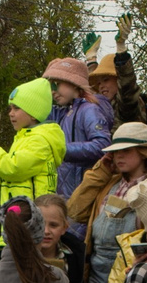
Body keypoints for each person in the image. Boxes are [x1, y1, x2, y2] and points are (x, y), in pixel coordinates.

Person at [69, 122, 147, 283]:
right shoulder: (107, 184)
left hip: (129, 274)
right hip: (96, 273)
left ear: (144, 152)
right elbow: (74, 210)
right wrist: (100, 171)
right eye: (115, 152)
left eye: (126, 151)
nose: (118, 156)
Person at [0, 79, 68, 206]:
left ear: (33, 114)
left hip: (32, 217)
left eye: (16, 108)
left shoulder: (40, 141)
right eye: (10, 108)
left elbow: (13, 169)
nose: (10, 114)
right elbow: (1, 177)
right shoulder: (23, 139)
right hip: (16, 216)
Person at [44, 57, 113, 204]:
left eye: (57, 84)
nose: (53, 91)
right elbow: (36, 110)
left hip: (83, 195)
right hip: (64, 196)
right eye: (50, 86)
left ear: (74, 84)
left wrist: (63, 150)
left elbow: (103, 145)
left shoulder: (89, 109)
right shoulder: (61, 113)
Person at [85, 44, 147, 138]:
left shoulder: (126, 104)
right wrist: (91, 60)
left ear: (118, 80)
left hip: (128, 151)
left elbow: (126, 85)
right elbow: (92, 94)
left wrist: (121, 53)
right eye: (99, 84)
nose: (101, 86)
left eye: (106, 80)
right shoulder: (106, 105)